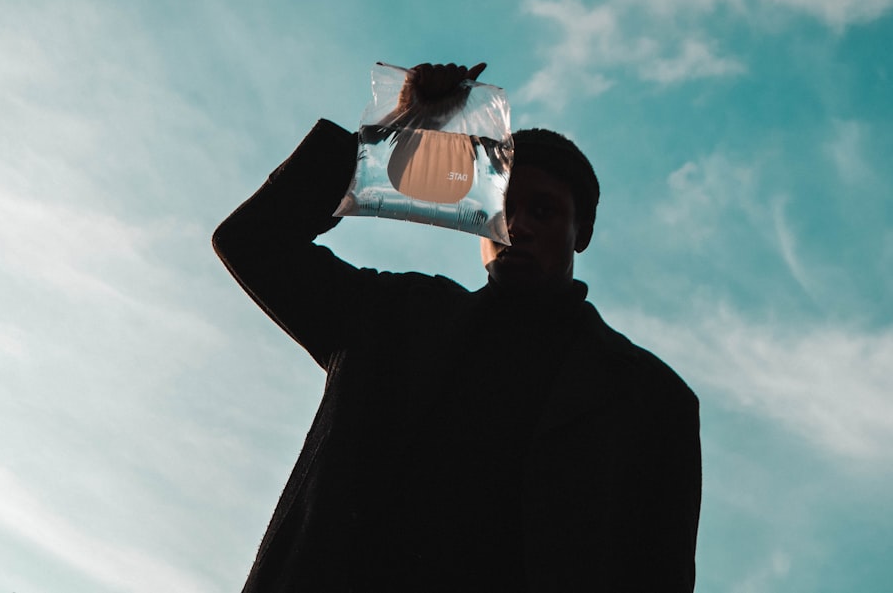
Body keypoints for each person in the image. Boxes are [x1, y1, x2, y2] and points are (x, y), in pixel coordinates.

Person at [214, 63, 701, 592]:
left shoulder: (653, 401)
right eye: (504, 207)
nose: (519, 227)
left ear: (580, 233)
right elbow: (254, 242)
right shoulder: (392, 317)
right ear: (476, 215)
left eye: (544, 212)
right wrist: (395, 138)